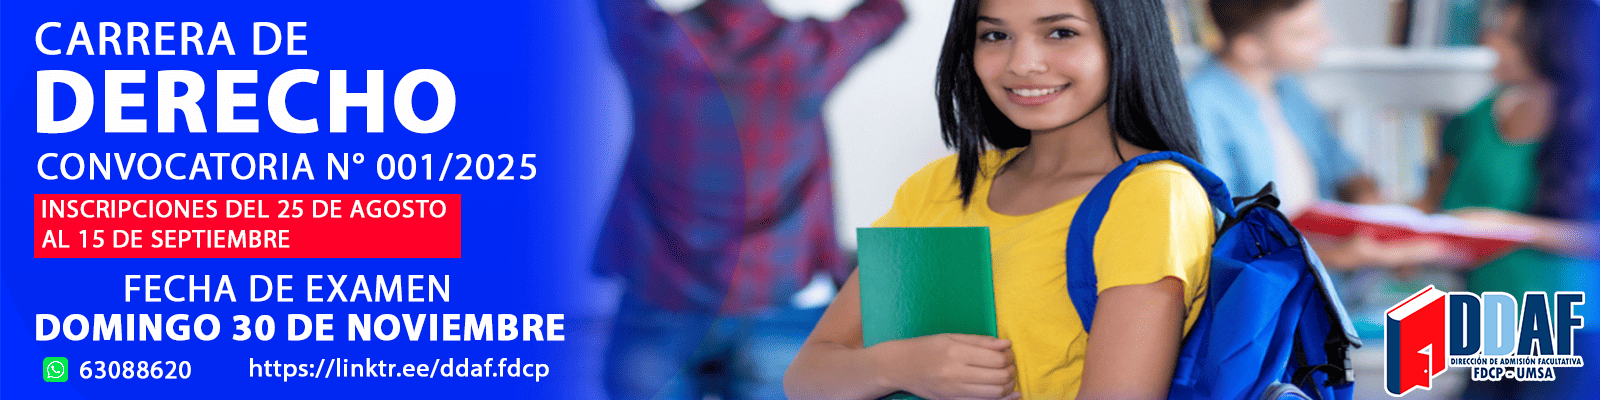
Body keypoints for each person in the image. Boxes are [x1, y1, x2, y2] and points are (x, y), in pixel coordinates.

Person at [784, 0, 1211, 398]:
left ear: (1127, 38)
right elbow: (806, 377)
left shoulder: (1153, 195)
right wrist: (900, 366)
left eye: (1061, 33)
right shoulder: (945, 184)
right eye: (995, 35)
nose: (1021, 64)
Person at [593, 0, 905, 398]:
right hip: (777, 300)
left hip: (659, 298)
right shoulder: (810, 51)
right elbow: (887, 11)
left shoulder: (652, 40)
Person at [1412, 0, 1600, 398]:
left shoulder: (1589, 121)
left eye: (1510, 36)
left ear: (1554, 43)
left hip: (1574, 331)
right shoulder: (1474, 120)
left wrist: (1513, 228)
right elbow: (1436, 209)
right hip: (1488, 324)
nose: (1489, 41)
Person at [1186, 0, 1379, 215]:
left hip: (1320, 230)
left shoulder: (1289, 89)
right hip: (1270, 236)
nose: (1326, 39)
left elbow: (1342, 165)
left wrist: (1364, 195)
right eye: (1302, 34)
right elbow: (1219, 212)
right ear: (1249, 48)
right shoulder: (1200, 103)